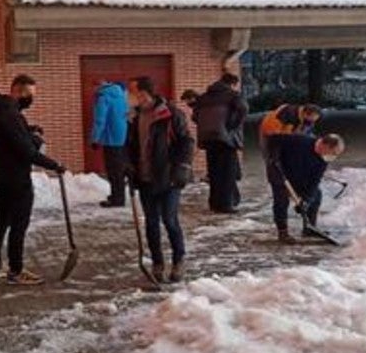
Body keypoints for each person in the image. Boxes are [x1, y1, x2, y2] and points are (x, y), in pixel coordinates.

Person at [0, 74, 67, 285]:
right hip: (15, 179)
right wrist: (54, 164)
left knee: (2, 220)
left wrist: (28, 131)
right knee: (19, 224)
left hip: (1, 176)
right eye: (30, 94)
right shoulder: (10, 115)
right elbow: (26, 151)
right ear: (18, 90)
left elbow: (7, 139)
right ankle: (16, 270)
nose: (31, 99)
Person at [126, 75, 194, 283]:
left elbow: (187, 141)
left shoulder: (171, 114)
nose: (129, 96)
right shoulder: (135, 117)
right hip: (145, 178)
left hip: (168, 177)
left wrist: (182, 168)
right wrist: (128, 165)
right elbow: (131, 146)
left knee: (170, 220)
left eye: (132, 92)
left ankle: (178, 260)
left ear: (144, 93)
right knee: (151, 223)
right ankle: (157, 262)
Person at [265, 133, 345, 243]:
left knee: (316, 195)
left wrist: (306, 201)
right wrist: (273, 156)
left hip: (300, 177)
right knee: (281, 200)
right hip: (280, 172)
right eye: (334, 153)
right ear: (325, 145)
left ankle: (309, 227)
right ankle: (283, 232)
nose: (334, 157)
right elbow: (272, 139)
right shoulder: (300, 141)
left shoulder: (323, 160)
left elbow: (315, 181)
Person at [192, 73, 249, 213]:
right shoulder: (233, 95)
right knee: (227, 172)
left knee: (214, 171)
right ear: (232, 84)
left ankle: (214, 204)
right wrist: (231, 125)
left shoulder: (204, 97)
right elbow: (244, 109)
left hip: (207, 138)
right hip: (225, 139)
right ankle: (226, 204)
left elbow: (194, 116)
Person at [90, 80, 130, 207]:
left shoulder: (104, 97)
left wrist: (95, 139)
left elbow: (100, 120)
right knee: (119, 169)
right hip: (124, 137)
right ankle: (118, 195)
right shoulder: (123, 95)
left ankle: (117, 200)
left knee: (113, 171)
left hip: (111, 139)